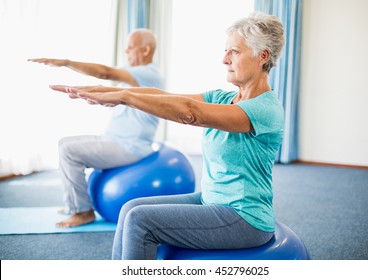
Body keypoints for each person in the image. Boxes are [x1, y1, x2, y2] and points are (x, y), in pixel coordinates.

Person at [50, 12, 285, 260]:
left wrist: (124, 97)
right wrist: (105, 91)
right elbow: (166, 96)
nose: (224, 59)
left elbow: (191, 113)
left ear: (263, 56)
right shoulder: (223, 97)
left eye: (234, 52)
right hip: (213, 200)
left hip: (244, 218)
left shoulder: (264, 109)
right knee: (130, 207)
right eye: (225, 51)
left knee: (141, 220)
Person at [29, 28, 165, 228]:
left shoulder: (149, 74)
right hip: (113, 139)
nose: (126, 52)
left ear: (145, 50)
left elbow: (105, 72)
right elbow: (105, 79)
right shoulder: (133, 75)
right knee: (64, 142)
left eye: (130, 48)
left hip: (131, 147)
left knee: (69, 151)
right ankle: (73, 203)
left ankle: (83, 212)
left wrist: (66, 63)